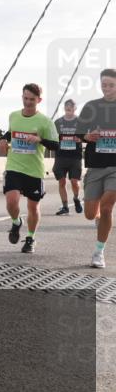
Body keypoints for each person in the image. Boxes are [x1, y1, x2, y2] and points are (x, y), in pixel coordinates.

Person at [0, 83, 59, 254]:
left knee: (33, 207)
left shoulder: (45, 122)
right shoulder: (13, 116)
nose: (28, 102)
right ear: (22, 97)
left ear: (39, 100)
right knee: (11, 201)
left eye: (32, 99)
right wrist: (3, 139)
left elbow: (55, 145)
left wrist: (40, 140)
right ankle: (16, 222)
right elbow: (10, 132)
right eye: (25, 98)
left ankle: (31, 238)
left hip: (34, 170)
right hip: (14, 166)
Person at [77, 69, 116, 269]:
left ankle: (99, 252)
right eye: (104, 85)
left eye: (111, 85)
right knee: (91, 214)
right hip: (95, 165)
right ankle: (98, 217)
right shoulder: (91, 106)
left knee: (108, 206)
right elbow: (78, 132)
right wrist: (87, 136)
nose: (107, 88)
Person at [53, 99, 83, 215]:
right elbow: (52, 136)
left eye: (71, 107)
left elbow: (86, 136)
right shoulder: (58, 122)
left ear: (75, 109)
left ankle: (76, 198)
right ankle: (65, 206)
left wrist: (81, 139)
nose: (69, 109)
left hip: (75, 157)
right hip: (61, 156)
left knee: (74, 182)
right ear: (64, 108)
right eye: (67, 107)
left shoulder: (81, 122)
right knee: (62, 182)